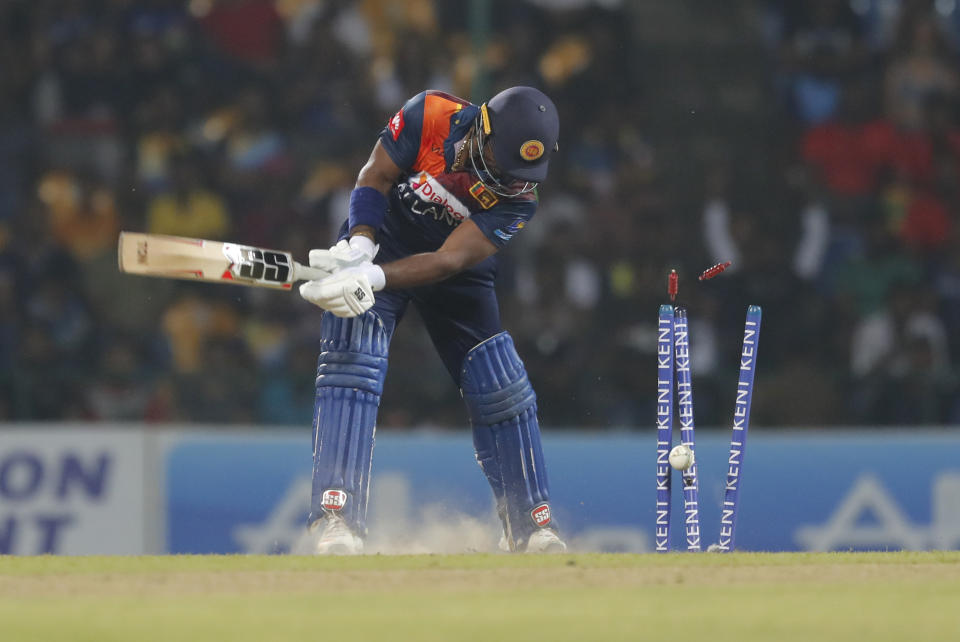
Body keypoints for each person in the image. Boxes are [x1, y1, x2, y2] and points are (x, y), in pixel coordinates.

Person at [298, 86, 566, 554]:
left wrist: (374, 277)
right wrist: (361, 246)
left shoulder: (521, 198)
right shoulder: (430, 113)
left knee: (501, 383)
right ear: (483, 129)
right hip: (383, 238)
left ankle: (530, 527)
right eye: (503, 162)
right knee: (351, 362)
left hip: (453, 269)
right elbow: (375, 175)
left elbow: (447, 262)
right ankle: (334, 518)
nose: (510, 179)